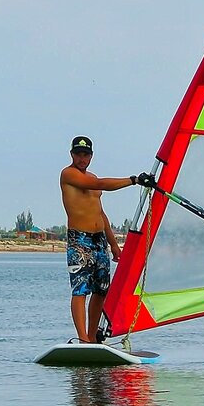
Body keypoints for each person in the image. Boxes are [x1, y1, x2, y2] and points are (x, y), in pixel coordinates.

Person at [59, 136, 140, 343]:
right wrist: (134, 180)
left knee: (101, 289)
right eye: (78, 154)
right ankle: (83, 338)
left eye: (86, 154)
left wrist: (113, 245)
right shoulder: (68, 174)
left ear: (91, 156)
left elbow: (101, 214)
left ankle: (93, 336)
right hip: (80, 240)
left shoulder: (92, 179)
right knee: (80, 289)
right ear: (72, 154)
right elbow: (100, 183)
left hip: (99, 241)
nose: (82, 158)